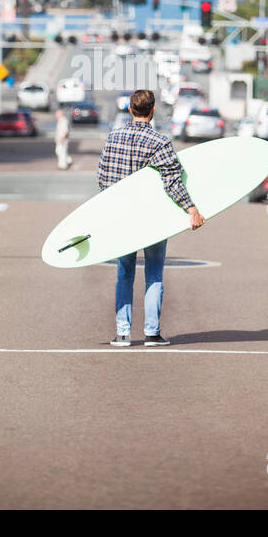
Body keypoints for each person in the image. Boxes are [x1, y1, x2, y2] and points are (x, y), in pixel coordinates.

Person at [96, 89, 204, 346]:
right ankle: (152, 333)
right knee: (153, 274)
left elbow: (103, 179)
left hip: (123, 217)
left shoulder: (114, 138)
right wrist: (192, 209)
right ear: (153, 111)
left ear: (131, 110)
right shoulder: (160, 141)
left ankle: (122, 333)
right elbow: (173, 182)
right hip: (152, 219)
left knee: (124, 273)